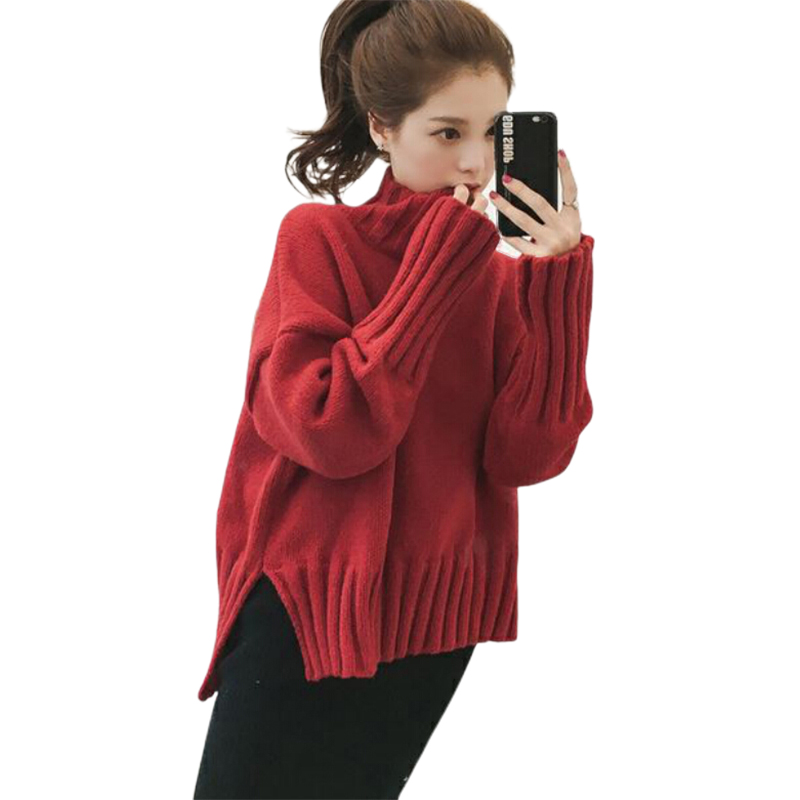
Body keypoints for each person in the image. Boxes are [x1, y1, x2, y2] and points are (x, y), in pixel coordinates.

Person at [194, 1, 594, 797]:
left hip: (436, 615)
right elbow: (332, 431)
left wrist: (557, 284)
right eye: (447, 133)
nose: (476, 162)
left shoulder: (499, 279)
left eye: (493, 131)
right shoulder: (318, 240)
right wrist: (437, 268)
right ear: (383, 128)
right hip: (306, 610)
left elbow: (528, 457)